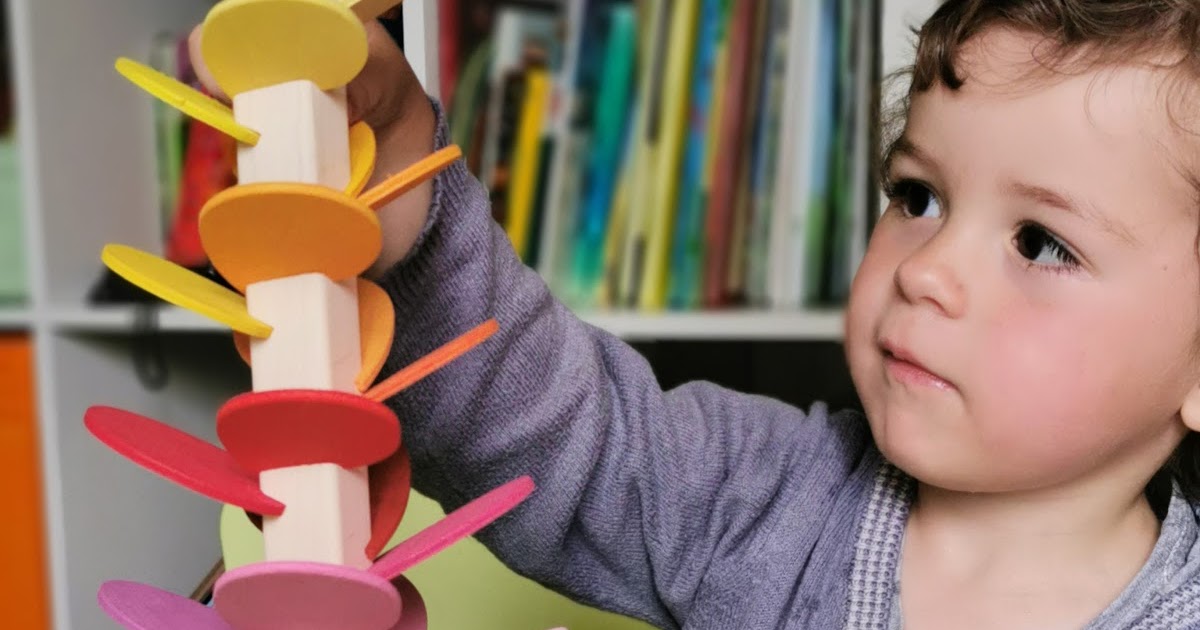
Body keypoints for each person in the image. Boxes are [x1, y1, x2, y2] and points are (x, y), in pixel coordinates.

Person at [190, 1, 1200, 627]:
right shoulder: (767, 501)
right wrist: (403, 170)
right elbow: (549, 429)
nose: (928, 269)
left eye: (1040, 243)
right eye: (918, 197)